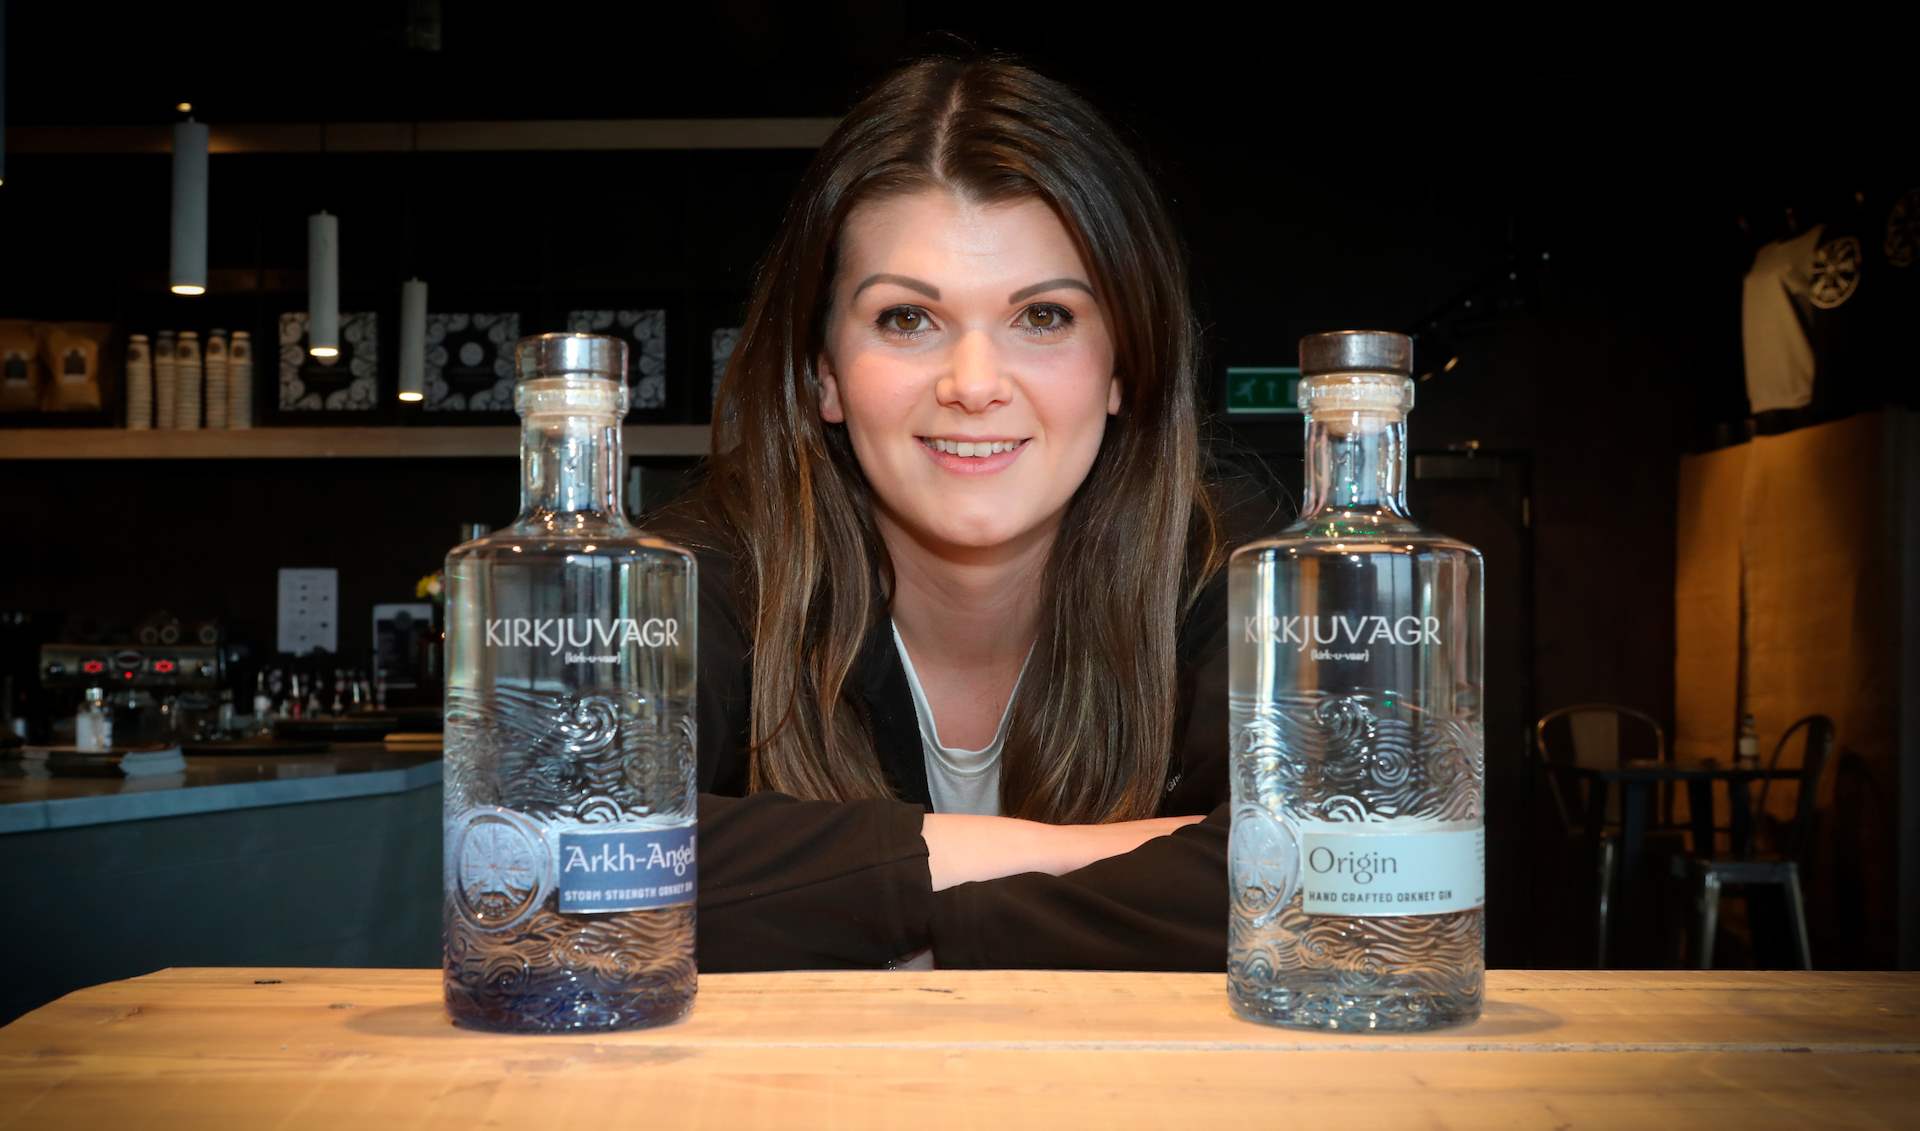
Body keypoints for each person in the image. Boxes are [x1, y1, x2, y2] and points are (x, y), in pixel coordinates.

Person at [664, 51, 1280, 971]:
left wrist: (911, 919)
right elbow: (556, 871)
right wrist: (1069, 853)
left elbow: (1334, 877)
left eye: (1044, 317)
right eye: (907, 319)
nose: (975, 385)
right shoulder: (702, 569)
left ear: (1121, 367)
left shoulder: (1230, 568)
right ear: (823, 373)